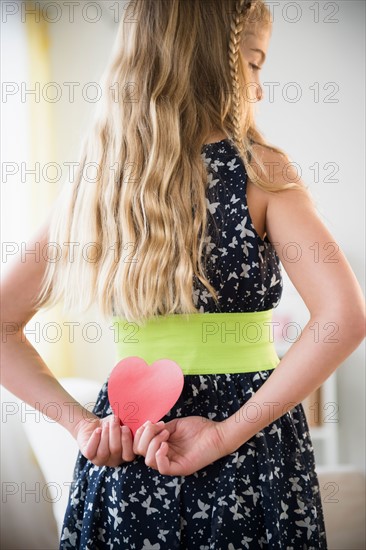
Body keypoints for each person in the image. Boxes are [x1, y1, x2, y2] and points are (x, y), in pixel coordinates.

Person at [1, 0, 365, 548]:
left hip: (129, 441)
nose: (260, 88)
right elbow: (344, 316)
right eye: (255, 63)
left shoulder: (95, 185)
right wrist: (223, 435)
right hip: (250, 448)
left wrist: (83, 427)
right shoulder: (260, 171)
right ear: (210, 63)